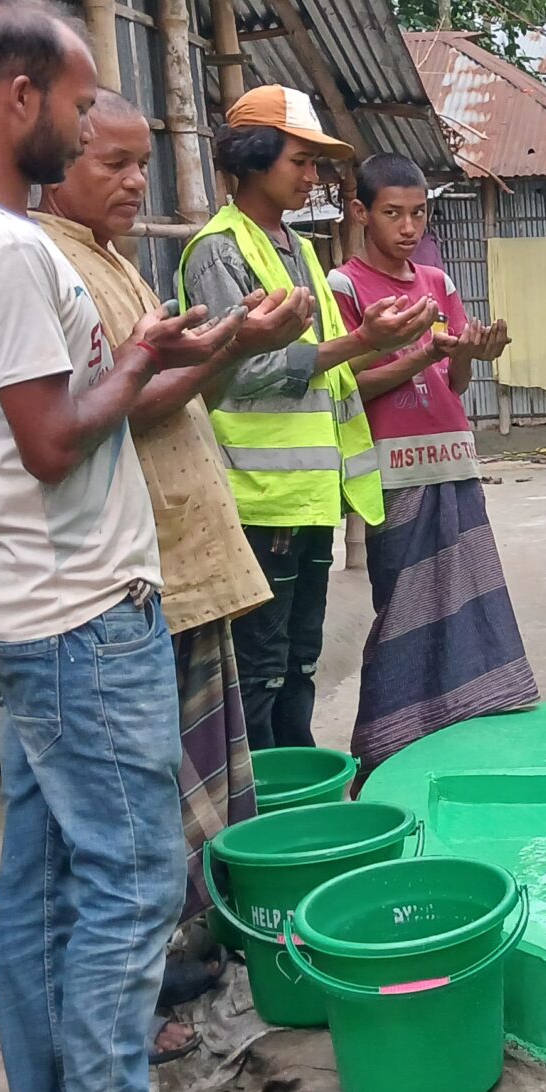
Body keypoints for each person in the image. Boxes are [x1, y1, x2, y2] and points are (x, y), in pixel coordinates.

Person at [0, 0, 231, 1092]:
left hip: (42, 606)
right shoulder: (4, 252)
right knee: (135, 877)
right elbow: (52, 442)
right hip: (81, 617)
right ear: (19, 99)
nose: (87, 121)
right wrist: (142, 355)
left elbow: (46, 422)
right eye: (79, 100)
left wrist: (159, 355)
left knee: (49, 888)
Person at [32, 91, 316, 1065]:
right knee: (141, 808)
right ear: (56, 159)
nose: (133, 183)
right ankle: (131, 1006)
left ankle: (172, 958)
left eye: (141, 165)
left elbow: (175, 388)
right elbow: (112, 410)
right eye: (111, 163)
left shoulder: (111, 259)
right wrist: (239, 343)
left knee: (190, 787)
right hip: (138, 568)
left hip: (189, 552)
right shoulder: (55, 264)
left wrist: (229, 346)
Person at [180, 87, 437, 750]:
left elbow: (327, 371)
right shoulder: (219, 251)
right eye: (300, 160)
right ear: (254, 158)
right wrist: (362, 341)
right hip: (259, 501)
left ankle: (300, 788)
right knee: (262, 669)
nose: (311, 175)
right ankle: (265, 801)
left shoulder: (295, 248)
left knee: (298, 664)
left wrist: (382, 342)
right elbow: (236, 371)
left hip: (310, 497)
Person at [328, 153, 540, 767]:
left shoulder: (437, 282)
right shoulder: (345, 287)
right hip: (393, 470)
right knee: (403, 609)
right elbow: (348, 385)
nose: (408, 227)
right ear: (360, 212)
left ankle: (465, 728)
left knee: (470, 601)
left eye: (418, 214)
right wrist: (421, 356)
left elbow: (457, 382)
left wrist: (473, 352)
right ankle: (389, 744)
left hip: (453, 458)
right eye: (392, 213)